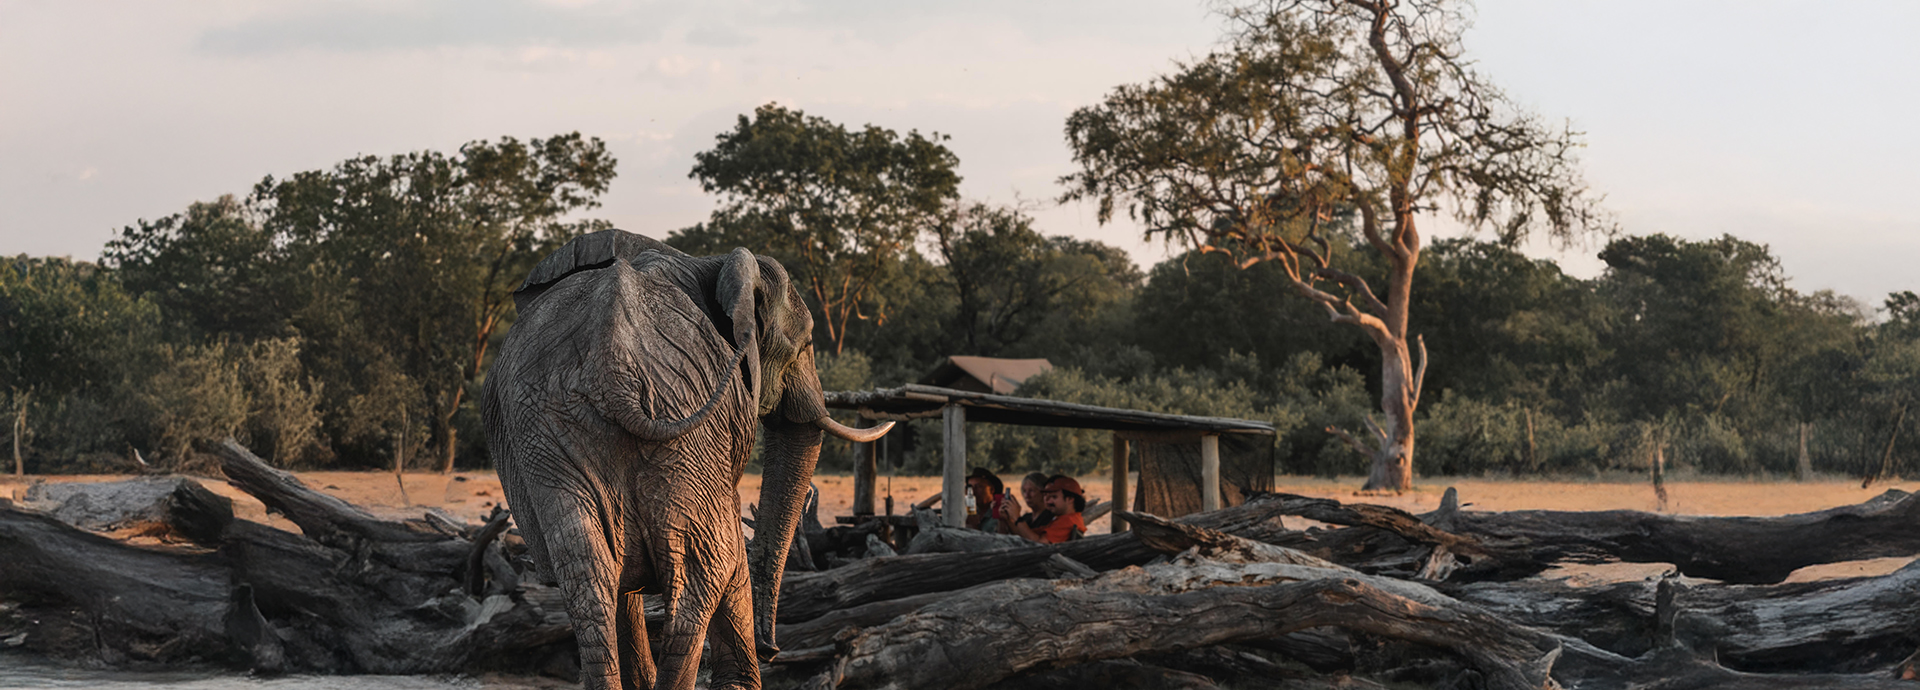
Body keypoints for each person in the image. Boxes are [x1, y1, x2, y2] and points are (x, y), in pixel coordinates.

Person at [1014, 475, 1087, 544]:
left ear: (1070, 499)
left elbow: (1039, 543)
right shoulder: (1064, 519)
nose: (1048, 501)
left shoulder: (1067, 521)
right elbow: (1029, 533)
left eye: (1054, 497)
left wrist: (1017, 518)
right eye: (1046, 496)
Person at [964, 467, 1015, 532]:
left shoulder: (1000, 513)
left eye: (979, 486)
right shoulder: (967, 511)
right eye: (970, 487)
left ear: (992, 490)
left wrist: (973, 526)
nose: (973, 491)